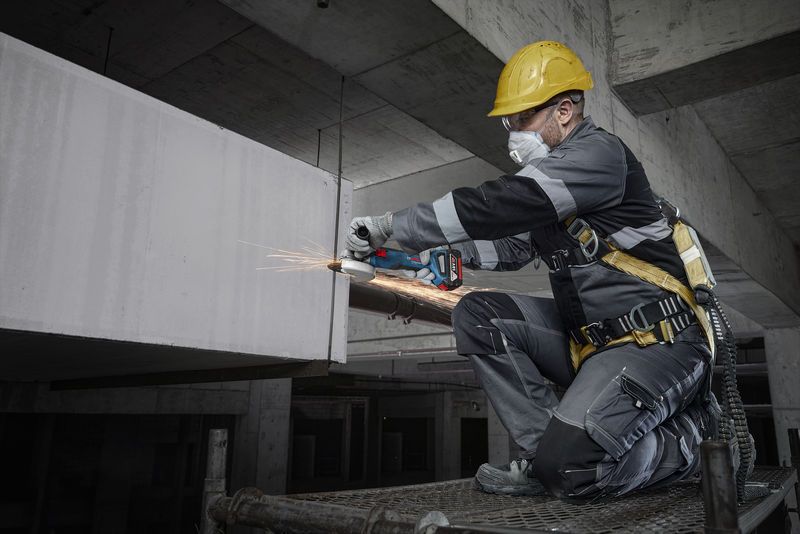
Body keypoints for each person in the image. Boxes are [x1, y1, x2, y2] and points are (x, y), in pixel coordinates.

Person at [344, 41, 720, 499]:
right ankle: (543, 460)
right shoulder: (557, 186)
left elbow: (501, 204)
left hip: (660, 342)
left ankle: (695, 438)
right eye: (510, 121)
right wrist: (436, 260)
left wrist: (392, 227)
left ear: (563, 111)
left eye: (521, 119)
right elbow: (510, 246)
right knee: (478, 315)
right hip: (591, 342)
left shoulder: (600, 156)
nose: (512, 133)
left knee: (578, 473)